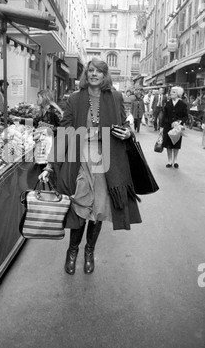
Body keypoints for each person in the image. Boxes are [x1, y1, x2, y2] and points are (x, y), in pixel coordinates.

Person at [38, 58, 142, 275]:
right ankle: (73, 250)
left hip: (107, 159)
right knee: (80, 205)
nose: (94, 74)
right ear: (87, 74)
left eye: (99, 71)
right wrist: (51, 163)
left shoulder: (115, 97)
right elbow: (64, 131)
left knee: (99, 208)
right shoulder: (75, 99)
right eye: (91, 70)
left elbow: (124, 124)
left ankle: (89, 251)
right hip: (80, 157)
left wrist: (127, 132)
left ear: (105, 76)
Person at [160, 86, 188, 168]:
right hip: (167, 126)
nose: (171, 93)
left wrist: (179, 121)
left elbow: (185, 116)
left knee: (176, 144)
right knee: (168, 144)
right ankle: (169, 161)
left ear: (178, 94)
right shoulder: (167, 103)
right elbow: (164, 116)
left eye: (174, 92)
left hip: (177, 128)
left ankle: (175, 160)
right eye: (171, 91)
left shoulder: (182, 104)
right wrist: (161, 127)